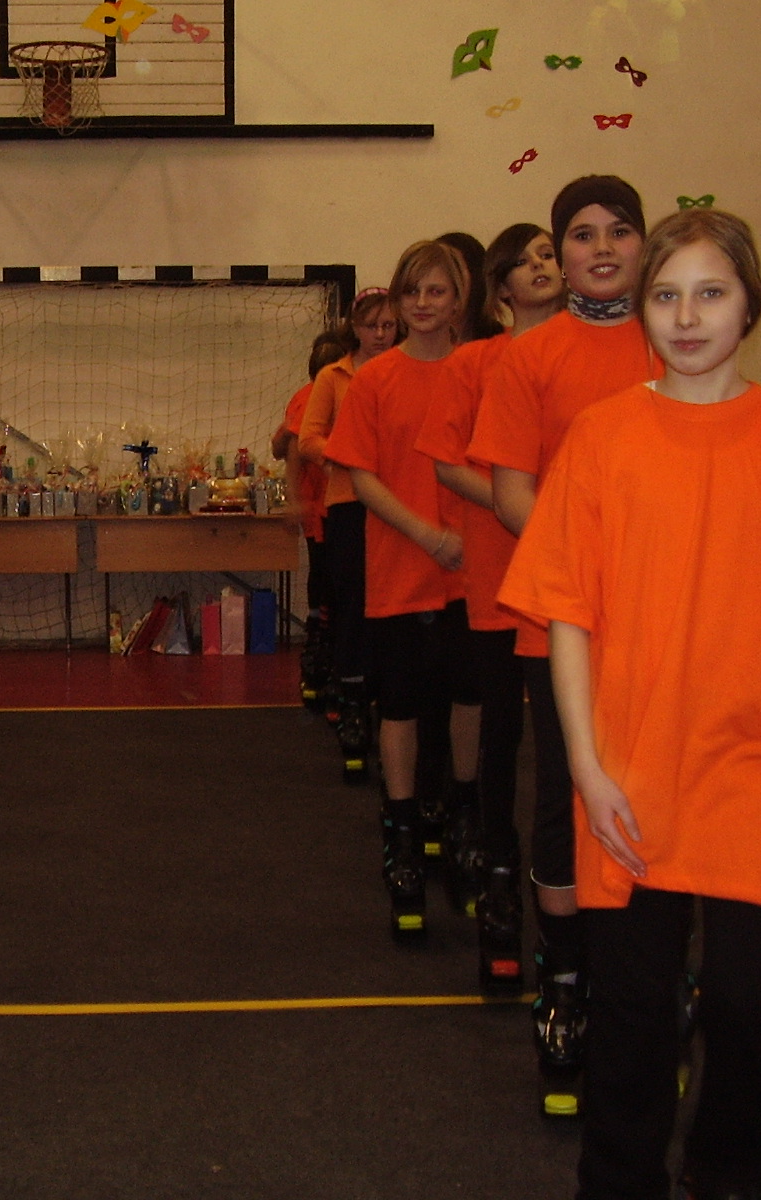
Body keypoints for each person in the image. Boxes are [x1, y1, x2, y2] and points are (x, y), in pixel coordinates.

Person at [500, 206, 761, 1200]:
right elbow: (567, 618)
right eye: (666, 294)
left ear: (750, 304)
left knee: (750, 1007)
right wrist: (586, 770)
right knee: (630, 1016)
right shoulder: (602, 437)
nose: (686, 315)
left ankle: (726, 1175)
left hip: (753, 772)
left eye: (710, 292)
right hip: (629, 776)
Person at [468, 175, 656, 1115]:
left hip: (665, 628)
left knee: (660, 794)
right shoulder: (529, 357)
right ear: (558, 250)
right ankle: (568, 985)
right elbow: (512, 493)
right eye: (582, 234)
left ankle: (652, 984)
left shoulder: (675, 341)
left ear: (644, 243)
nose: (602, 248)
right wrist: (597, 577)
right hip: (562, 627)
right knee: (566, 804)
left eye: (620, 230)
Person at [415, 222, 565, 981]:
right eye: (525, 259)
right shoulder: (476, 362)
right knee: (503, 733)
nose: (541, 266)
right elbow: (447, 464)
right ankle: (501, 881)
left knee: (575, 750)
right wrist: (524, 508)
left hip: (585, 583)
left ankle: (581, 896)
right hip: (504, 579)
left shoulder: (597, 353)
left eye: (550, 253)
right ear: (500, 286)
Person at [326, 241, 470, 938]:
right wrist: (427, 534)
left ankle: (462, 823)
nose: (422, 303)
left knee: (467, 700)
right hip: (403, 568)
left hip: (474, 574)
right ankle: (404, 838)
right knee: (404, 705)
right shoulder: (375, 380)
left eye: (436, 291)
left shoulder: (483, 371)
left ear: (459, 299)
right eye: (412, 291)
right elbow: (362, 477)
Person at [297, 288, 399, 775]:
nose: (380, 334)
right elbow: (308, 439)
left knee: (394, 608)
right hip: (349, 505)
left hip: (399, 507)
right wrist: (349, 455)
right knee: (353, 606)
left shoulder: (405, 369)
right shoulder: (333, 376)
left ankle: (393, 702)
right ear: (353, 329)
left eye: (388, 326)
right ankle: (353, 704)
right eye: (371, 326)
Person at [272, 329, 350, 711]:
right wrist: (296, 500)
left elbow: (280, 444)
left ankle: (326, 655)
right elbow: (290, 449)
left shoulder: (308, 396)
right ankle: (323, 658)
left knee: (329, 584)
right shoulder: (313, 397)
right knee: (327, 583)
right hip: (323, 509)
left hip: (332, 506)